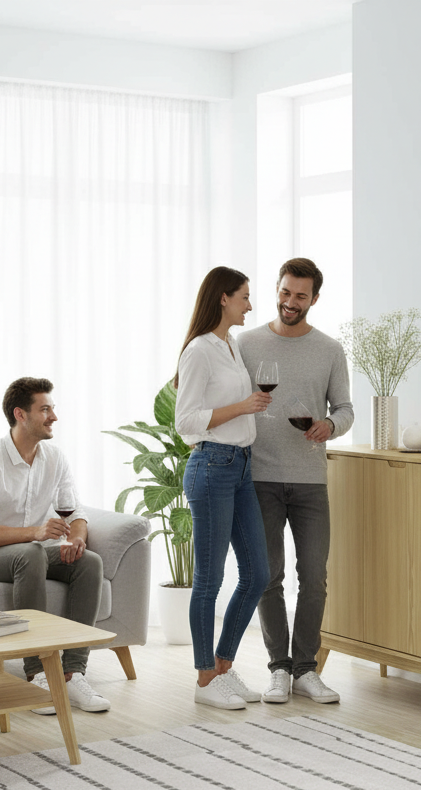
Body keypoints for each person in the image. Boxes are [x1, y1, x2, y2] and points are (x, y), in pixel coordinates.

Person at [238, 257, 354, 704]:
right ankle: (278, 670)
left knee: (315, 578)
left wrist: (330, 425)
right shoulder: (246, 343)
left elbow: (344, 409)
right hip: (259, 476)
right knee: (268, 576)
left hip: (309, 479)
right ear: (278, 289)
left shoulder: (329, 349)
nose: (290, 302)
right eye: (285, 292)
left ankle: (307, 668)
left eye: (300, 296)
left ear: (315, 299)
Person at [0, 377, 110, 714]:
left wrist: (77, 538)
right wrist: (38, 532)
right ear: (20, 415)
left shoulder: (54, 458)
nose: (54, 416)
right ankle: (38, 673)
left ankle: (72, 673)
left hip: (31, 552)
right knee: (31, 552)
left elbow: (76, 512)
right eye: (45, 409)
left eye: (52, 408)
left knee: (90, 562)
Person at [173, 266, 272, 709]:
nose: (251, 304)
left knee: (257, 575)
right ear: (224, 299)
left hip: (242, 466)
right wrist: (242, 407)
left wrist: (249, 410)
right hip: (212, 466)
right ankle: (204, 680)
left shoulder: (230, 345)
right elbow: (186, 423)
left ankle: (223, 668)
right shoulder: (198, 351)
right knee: (209, 580)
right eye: (245, 297)